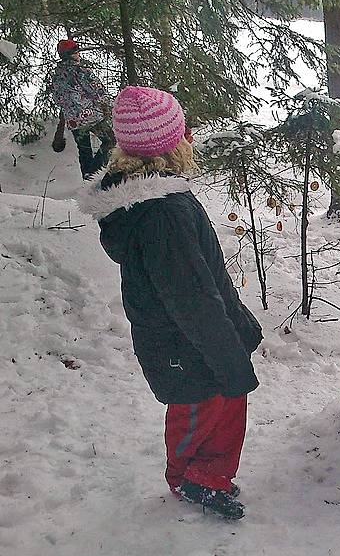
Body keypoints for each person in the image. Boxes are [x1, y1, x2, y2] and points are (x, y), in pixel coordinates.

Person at [78, 86, 262, 520]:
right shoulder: (163, 214)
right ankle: (188, 478)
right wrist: (228, 357)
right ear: (172, 143)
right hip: (187, 346)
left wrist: (237, 326)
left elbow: (200, 284)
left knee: (222, 405)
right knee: (201, 409)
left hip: (193, 340)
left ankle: (208, 474)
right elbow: (192, 299)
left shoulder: (155, 201)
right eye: (183, 131)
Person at [47, 39, 115, 179]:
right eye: (77, 51)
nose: (79, 54)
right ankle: (95, 173)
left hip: (73, 121)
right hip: (92, 117)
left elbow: (57, 99)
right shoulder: (82, 72)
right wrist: (112, 107)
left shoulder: (57, 75)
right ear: (71, 54)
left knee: (84, 150)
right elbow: (99, 93)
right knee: (111, 141)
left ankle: (87, 178)